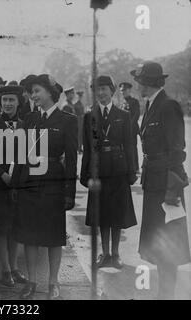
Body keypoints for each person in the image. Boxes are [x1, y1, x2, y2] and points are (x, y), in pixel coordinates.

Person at [12, 74, 77, 300]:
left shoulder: (67, 120)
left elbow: (71, 159)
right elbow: (21, 155)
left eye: (37, 90)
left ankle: (53, 282)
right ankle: (32, 281)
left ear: (50, 93)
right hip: (29, 183)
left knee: (53, 235)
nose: (33, 95)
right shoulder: (28, 119)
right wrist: (15, 186)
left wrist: (70, 193)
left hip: (53, 184)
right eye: (32, 92)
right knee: (30, 235)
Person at [131, 61, 190, 299]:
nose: (138, 85)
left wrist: (173, 185)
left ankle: (166, 295)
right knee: (158, 243)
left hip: (167, 185)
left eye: (140, 81)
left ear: (149, 83)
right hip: (154, 182)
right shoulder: (152, 105)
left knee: (168, 245)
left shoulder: (168, 106)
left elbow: (177, 149)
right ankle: (163, 294)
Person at [80, 75, 138, 269]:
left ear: (112, 91)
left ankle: (115, 254)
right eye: (97, 89)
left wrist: (133, 170)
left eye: (104, 89)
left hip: (119, 169)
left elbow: (130, 145)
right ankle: (104, 254)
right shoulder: (89, 116)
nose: (101, 93)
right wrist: (84, 173)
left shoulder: (123, 115)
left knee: (117, 214)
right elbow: (87, 146)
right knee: (102, 214)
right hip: (98, 171)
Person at [0, 85, 27, 287]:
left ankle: (15, 268)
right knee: (1, 229)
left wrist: (17, 179)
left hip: (17, 186)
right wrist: (2, 175)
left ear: (18, 102)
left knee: (15, 227)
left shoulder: (24, 126)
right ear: (0, 103)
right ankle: (5, 270)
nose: (8, 104)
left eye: (11, 100)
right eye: (4, 100)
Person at [119, 82, 141, 172]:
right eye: (122, 91)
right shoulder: (122, 103)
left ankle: (136, 168)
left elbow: (136, 115)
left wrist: (129, 127)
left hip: (132, 129)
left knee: (133, 148)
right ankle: (129, 167)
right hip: (124, 130)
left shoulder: (134, 101)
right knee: (126, 148)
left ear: (129, 90)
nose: (123, 92)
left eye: (125, 90)